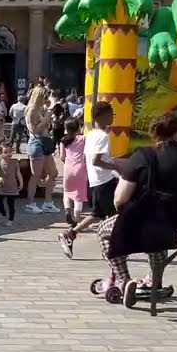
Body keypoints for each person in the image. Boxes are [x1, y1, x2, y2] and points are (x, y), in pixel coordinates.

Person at [94, 113, 177, 306]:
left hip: (150, 225)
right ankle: (153, 280)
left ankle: (124, 280)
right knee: (159, 237)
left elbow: (120, 200)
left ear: (154, 134)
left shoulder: (143, 157)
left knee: (104, 231)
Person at [59, 102, 120, 257]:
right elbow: (96, 160)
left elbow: (88, 158)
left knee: (97, 215)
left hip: (95, 181)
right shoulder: (102, 136)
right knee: (115, 217)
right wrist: (115, 167)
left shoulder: (91, 134)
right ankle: (110, 247)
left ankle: (70, 233)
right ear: (103, 116)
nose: (113, 117)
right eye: (111, 114)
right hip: (104, 181)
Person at [24, 85, 60, 214]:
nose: (47, 99)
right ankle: (30, 203)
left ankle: (48, 202)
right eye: (45, 96)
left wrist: (49, 112)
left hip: (44, 141)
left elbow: (46, 126)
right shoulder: (32, 111)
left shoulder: (41, 109)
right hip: (36, 143)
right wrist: (49, 112)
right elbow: (36, 129)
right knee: (36, 175)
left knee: (53, 173)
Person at [57, 117, 89, 226]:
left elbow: (62, 157)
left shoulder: (63, 140)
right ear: (78, 128)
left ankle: (67, 211)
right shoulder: (83, 139)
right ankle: (76, 220)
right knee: (78, 196)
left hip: (68, 168)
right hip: (80, 168)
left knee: (67, 192)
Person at [0, 143, 22, 226]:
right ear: (0, 153)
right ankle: (3, 213)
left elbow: (18, 173)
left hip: (12, 186)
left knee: (11, 204)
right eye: (5, 152)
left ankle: (10, 219)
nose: (8, 154)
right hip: (1, 186)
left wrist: (21, 182)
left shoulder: (15, 162)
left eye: (10, 152)